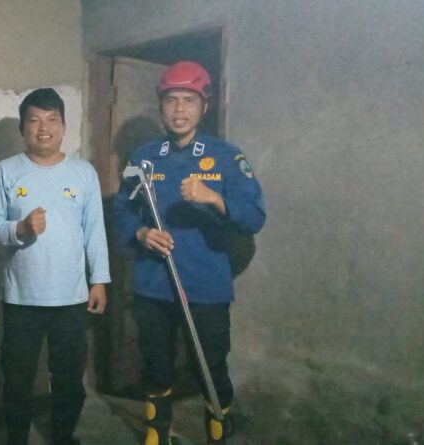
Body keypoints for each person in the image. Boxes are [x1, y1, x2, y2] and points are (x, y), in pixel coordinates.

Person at [114, 61, 265, 445]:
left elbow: (254, 217)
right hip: (153, 284)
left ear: (204, 105)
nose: (179, 109)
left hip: (206, 285)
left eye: (189, 100)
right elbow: (122, 210)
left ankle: (217, 430)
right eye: (171, 100)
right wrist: (140, 232)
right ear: (160, 105)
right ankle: (157, 432)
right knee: (155, 364)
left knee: (210, 364)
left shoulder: (226, 157)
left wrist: (215, 199)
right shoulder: (143, 158)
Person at [0, 88, 110, 445]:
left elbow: (94, 229)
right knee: (17, 378)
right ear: (23, 128)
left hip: (71, 298)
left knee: (69, 378)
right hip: (21, 298)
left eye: (52, 119)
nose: (44, 128)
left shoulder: (83, 172)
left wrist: (99, 280)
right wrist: (19, 229)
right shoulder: (6, 171)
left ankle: (63, 437)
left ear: (64, 126)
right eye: (34, 120)